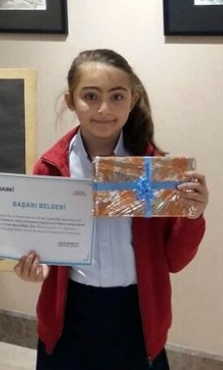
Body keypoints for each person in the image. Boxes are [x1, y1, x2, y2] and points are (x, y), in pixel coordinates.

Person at [13, 49, 209, 370]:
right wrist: (36, 267)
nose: (104, 109)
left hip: (137, 318)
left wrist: (193, 215)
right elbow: (43, 252)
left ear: (132, 100)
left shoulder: (154, 170)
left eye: (117, 96)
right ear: (70, 101)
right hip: (69, 318)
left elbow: (174, 260)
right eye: (90, 96)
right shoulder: (51, 169)